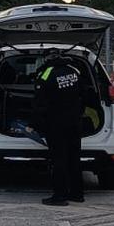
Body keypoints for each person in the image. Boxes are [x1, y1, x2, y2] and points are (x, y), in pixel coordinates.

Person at [34, 51, 85, 206]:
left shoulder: (46, 73)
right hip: (75, 121)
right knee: (74, 157)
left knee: (59, 159)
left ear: (47, 60)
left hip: (56, 122)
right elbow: (84, 92)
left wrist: (38, 122)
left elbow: (39, 100)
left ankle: (59, 196)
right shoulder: (74, 70)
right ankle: (77, 194)